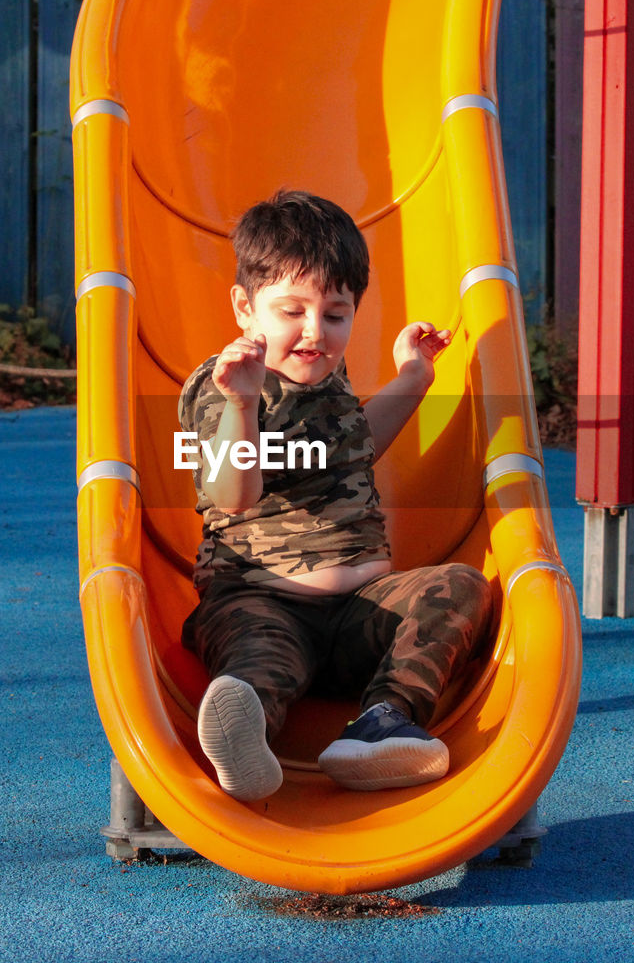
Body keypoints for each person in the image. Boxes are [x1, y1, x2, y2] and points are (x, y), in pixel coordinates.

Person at [177, 189, 492, 801]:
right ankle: (246, 739)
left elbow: (357, 445)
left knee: (458, 587)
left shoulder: (324, 373)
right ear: (245, 307)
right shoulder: (227, 387)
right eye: (291, 311)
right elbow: (231, 492)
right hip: (262, 600)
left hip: (360, 614)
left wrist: (415, 377)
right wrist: (242, 403)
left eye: (335, 314)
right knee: (256, 657)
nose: (314, 333)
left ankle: (382, 721)